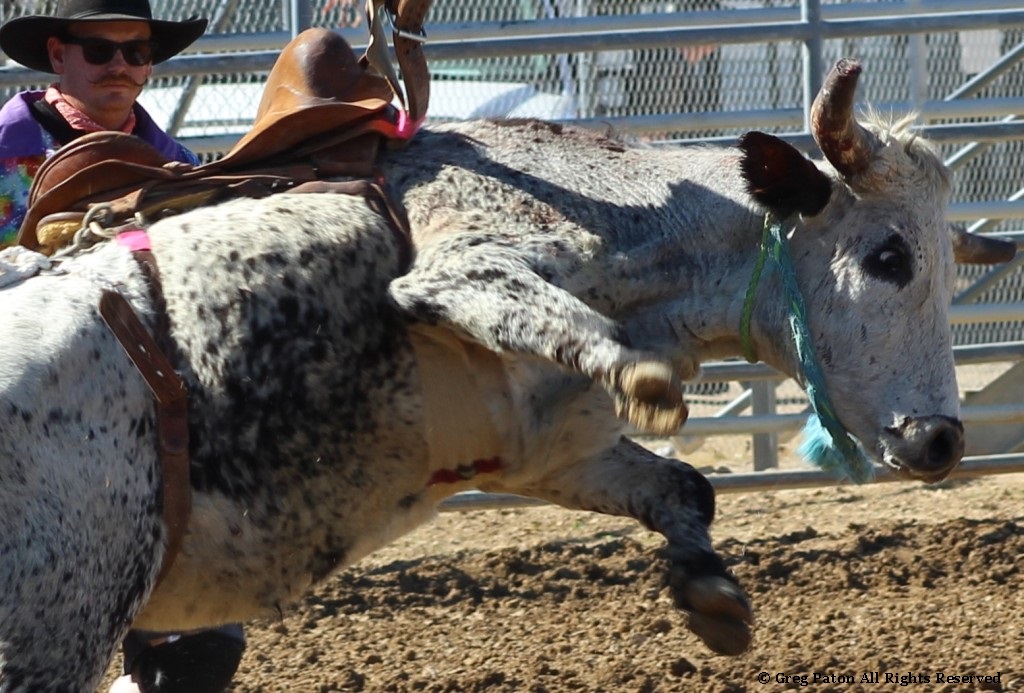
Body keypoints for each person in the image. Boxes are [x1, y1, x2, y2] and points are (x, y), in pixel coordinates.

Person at [0, 1, 247, 691]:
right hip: (21, 435)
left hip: (141, 435)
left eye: (137, 52)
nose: (123, 67)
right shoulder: (2, 152)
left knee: (201, 645)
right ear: (58, 55)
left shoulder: (175, 167)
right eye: (101, 50)